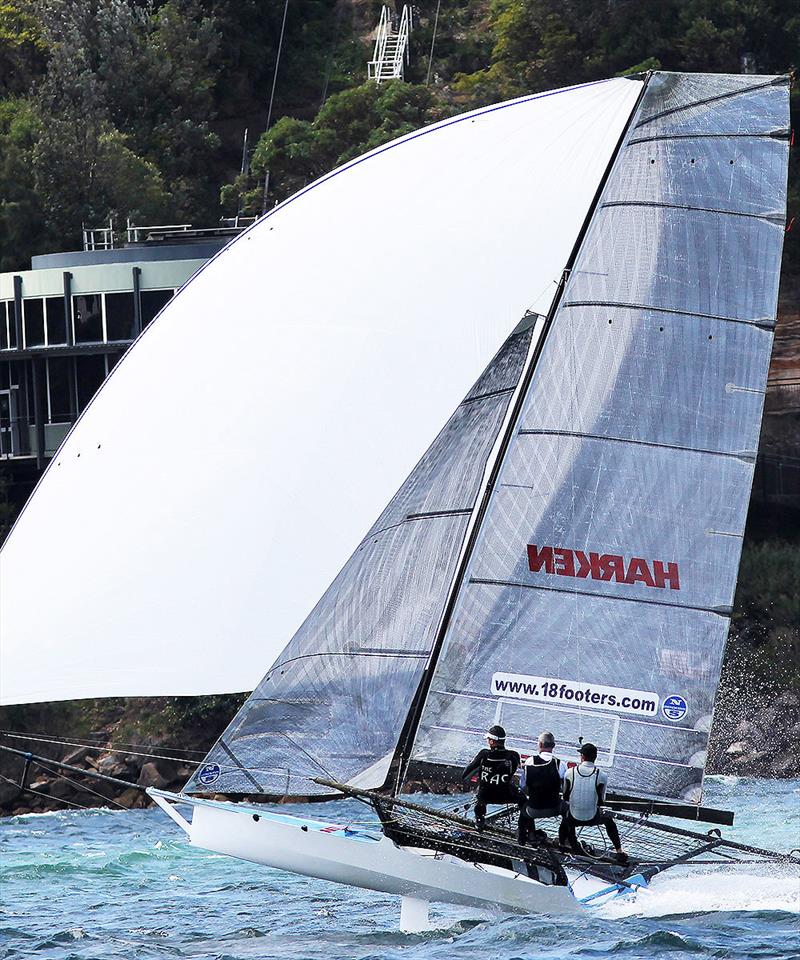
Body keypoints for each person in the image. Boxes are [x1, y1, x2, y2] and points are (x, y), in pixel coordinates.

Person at [559, 742, 627, 861]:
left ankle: (562, 845)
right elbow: (601, 801)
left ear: (582, 757)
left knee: (566, 819)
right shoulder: (603, 775)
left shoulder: (569, 772)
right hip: (593, 817)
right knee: (609, 822)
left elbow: (565, 797)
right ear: (595, 758)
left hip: (573, 818)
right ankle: (619, 851)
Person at [461, 724, 521, 829]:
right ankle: (526, 829)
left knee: (481, 794)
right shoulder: (513, 756)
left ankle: (479, 821)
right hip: (506, 795)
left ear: (492, 741)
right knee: (524, 800)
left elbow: (465, 775)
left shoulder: (484, 754)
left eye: (488, 739)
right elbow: (512, 772)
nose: (488, 741)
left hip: (485, 796)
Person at [517, 730, 566, 845]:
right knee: (568, 812)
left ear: (540, 745)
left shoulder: (529, 761)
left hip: (534, 809)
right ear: (553, 746)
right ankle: (564, 840)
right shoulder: (561, 765)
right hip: (555, 808)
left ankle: (526, 837)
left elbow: (523, 786)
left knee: (523, 809)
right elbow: (565, 789)